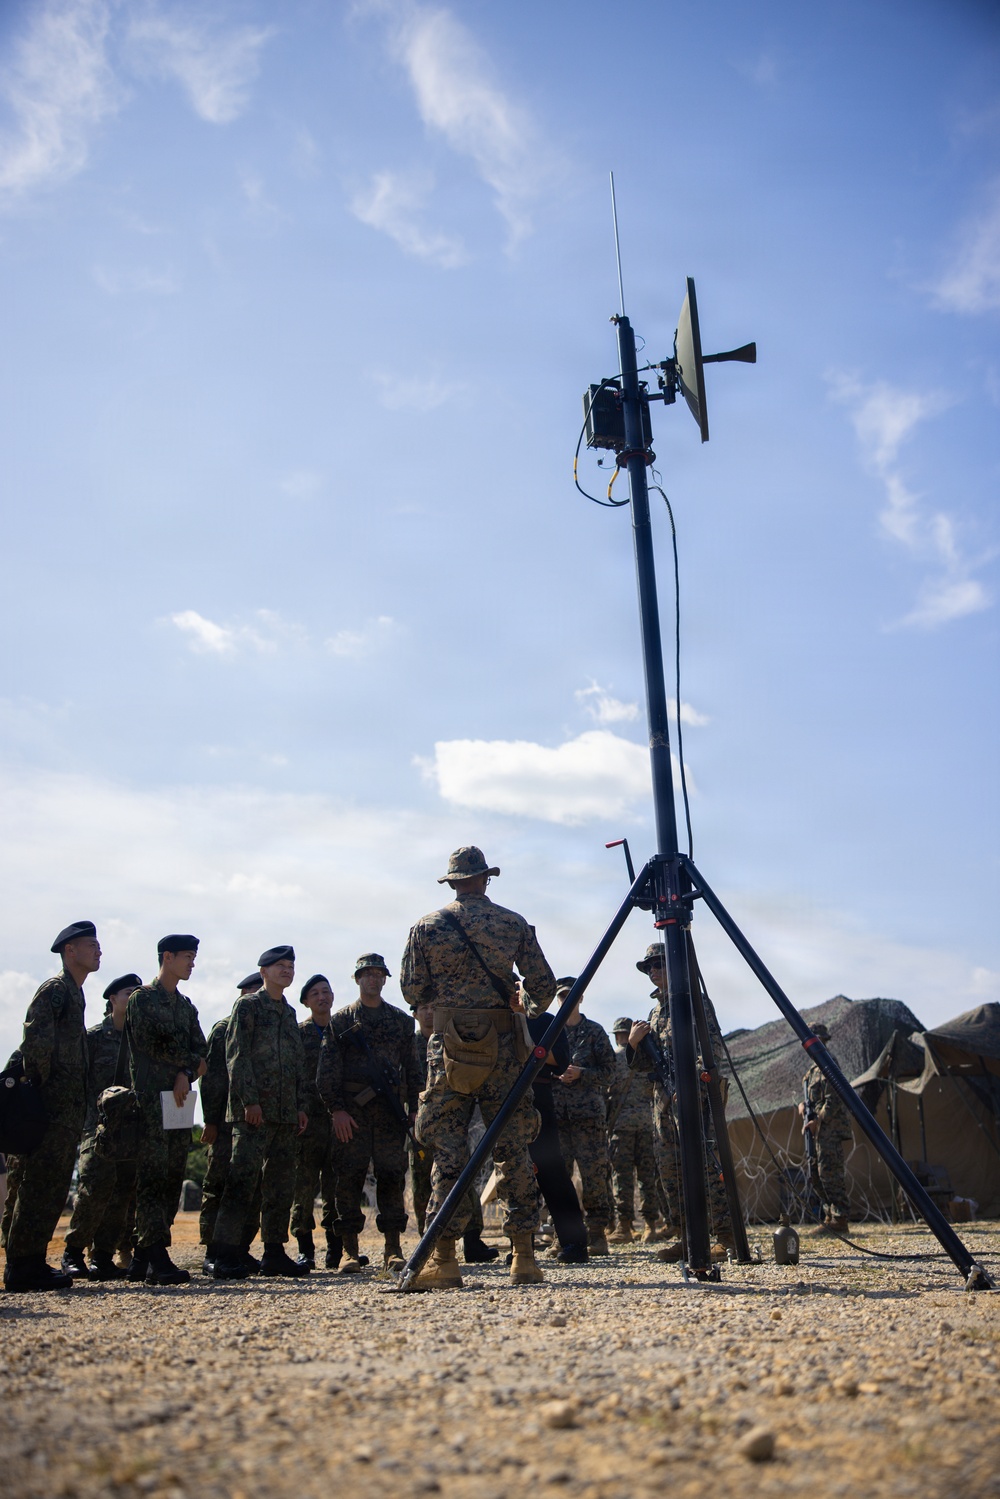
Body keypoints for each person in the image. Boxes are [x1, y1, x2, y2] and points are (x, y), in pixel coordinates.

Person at [400, 845, 556, 1288]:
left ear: (452, 882)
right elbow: (544, 987)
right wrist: (522, 1006)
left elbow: (412, 990)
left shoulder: (426, 927)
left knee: (449, 1151)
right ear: (486, 878)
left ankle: (445, 1260)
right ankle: (523, 1258)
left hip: (449, 1048)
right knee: (512, 1149)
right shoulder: (513, 924)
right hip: (503, 1046)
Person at [3, 921, 101, 1293]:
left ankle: (30, 1261)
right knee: (37, 1187)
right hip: (49, 1109)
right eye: (91, 944)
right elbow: (36, 1043)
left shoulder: (75, 994)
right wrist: (39, 1093)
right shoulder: (57, 990)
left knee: (51, 1188)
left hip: (64, 1112)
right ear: (69, 951)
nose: (98, 951)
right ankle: (22, 1266)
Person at [627, 942, 734, 1263]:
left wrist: (691, 1086)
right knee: (670, 1171)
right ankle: (688, 1239)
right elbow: (645, 1065)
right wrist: (634, 1044)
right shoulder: (654, 1013)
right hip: (663, 1103)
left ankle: (725, 1237)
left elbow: (711, 1048)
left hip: (694, 1098)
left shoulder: (695, 1001)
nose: (653, 971)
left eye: (659, 964)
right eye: (649, 967)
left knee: (706, 1166)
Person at [317, 954, 421, 1274]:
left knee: (392, 1176)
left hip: (390, 1114)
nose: (373, 979)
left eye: (378, 974)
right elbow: (327, 1072)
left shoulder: (401, 1021)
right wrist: (337, 1110)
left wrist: (415, 1110)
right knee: (349, 1178)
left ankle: (393, 1249)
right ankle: (349, 1251)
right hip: (353, 1114)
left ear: (385, 979)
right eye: (367, 974)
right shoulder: (341, 1022)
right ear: (357, 979)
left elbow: (413, 1070)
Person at [212, 946, 309, 1279]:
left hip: (284, 1114)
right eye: (280, 965)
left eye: (290, 966)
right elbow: (236, 1056)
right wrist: (249, 1100)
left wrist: (300, 1107)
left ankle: (274, 1252)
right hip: (253, 1113)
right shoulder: (248, 1006)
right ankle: (225, 1254)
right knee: (242, 1183)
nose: (287, 970)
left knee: (280, 1186)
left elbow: (297, 1064)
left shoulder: (289, 1012)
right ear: (264, 972)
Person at [126, 936, 207, 1286]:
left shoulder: (186, 1007)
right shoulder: (142, 999)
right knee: (152, 1178)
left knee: (172, 1175)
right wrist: (185, 1065)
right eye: (187, 957)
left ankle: (143, 1257)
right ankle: (155, 1255)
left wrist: (185, 1072)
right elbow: (151, 1044)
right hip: (150, 1102)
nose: (192, 963)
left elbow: (201, 1052)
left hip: (178, 1101)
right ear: (168, 957)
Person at [61, 973, 142, 1280]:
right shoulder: (94, 1037)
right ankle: (73, 1253)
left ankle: (103, 1256)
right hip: (96, 1127)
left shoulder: (140, 1041)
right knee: (93, 1187)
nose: (133, 999)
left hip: (130, 1130)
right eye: (128, 993)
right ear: (112, 999)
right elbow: (76, 1082)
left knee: (122, 1192)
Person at [408, 996, 498, 1263]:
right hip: (419, 1120)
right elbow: (403, 1079)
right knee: (422, 1182)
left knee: (460, 1174)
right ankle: (428, 1240)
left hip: (451, 1120)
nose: (428, 1012)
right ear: (415, 1014)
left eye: (433, 1008)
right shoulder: (411, 1044)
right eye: (423, 1008)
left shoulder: (451, 1039)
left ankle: (472, 1239)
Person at [199, 974, 265, 1275]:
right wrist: (210, 1120)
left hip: (254, 1123)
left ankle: (240, 1248)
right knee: (219, 1185)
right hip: (225, 1124)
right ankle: (213, 1251)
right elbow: (211, 1079)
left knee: (251, 1188)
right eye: (254, 993)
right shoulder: (223, 1029)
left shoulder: (266, 1029)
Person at [550, 981, 616, 1255]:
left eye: (571, 996)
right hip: (557, 1117)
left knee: (594, 1176)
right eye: (562, 996)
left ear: (581, 999)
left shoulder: (594, 1032)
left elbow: (610, 1072)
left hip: (588, 1118)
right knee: (559, 1179)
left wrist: (582, 1074)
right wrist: (555, 1074)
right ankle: (563, 1235)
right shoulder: (550, 1032)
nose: (567, 1000)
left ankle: (597, 1234)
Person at [525, 1008, 588, 1262]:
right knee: (511, 1173)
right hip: (500, 1100)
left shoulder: (545, 1021)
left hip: (537, 1098)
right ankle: (522, 1246)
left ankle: (574, 1242)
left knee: (551, 1171)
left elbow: (561, 1059)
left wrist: (525, 1048)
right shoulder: (496, 1018)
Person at [291, 974, 342, 1270]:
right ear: (306, 1002)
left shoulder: (343, 1031)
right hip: (307, 1123)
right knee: (304, 1187)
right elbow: (292, 1077)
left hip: (337, 1122)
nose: (322, 997)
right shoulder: (299, 1034)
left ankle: (336, 1249)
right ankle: (305, 1250)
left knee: (336, 1187)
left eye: (326, 992)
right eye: (315, 994)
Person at [606, 1016, 661, 1245]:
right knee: (648, 1178)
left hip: (621, 1127)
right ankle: (650, 1226)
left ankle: (624, 1226)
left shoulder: (615, 1058)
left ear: (618, 1036)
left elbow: (606, 1090)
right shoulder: (648, 1059)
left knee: (622, 1179)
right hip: (648, 1124)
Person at [798, 1022, 852, 1235]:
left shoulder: (829, 1063)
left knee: (830, 1173)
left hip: (829, 1129)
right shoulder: (812, 1071)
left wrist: (818, 1121)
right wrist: (803, 1107)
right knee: (816, 1174)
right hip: (816, 1131)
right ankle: (829, 1216)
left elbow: (834, 1098)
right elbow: (812, 1100)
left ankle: (840, 1218)